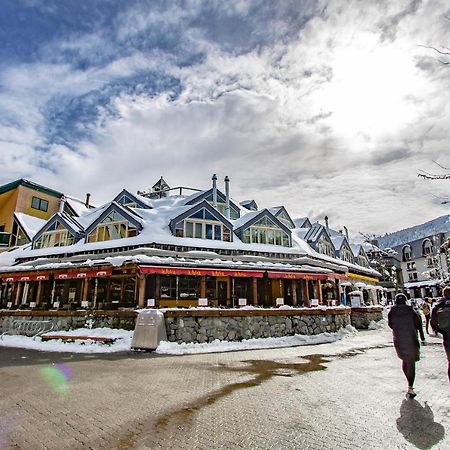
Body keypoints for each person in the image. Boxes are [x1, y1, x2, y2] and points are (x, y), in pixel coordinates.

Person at [388, 293, 424, 398]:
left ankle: (409, 383)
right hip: (411, 338)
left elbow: (390, 325)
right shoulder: (410, 310)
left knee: (404, 360)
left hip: (398, 340)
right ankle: (410, 386)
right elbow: (418, 324)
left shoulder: (392, 312)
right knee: (411, 362)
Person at [430, 286, 450, 383]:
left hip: (447, 337)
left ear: (443, 294)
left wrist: (441, 331)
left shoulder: (438, 305)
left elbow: (432, 322)